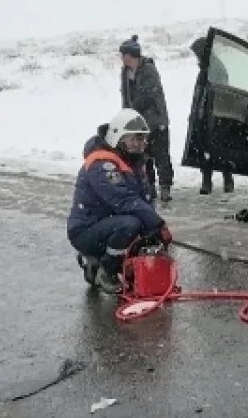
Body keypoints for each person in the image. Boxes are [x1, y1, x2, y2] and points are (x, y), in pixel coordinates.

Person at [67, 109, 173, 295]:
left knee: (143, 232)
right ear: (119, 138)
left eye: (143, 139)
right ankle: (106, 270)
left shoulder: (132, 163)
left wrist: (153, 231)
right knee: (130, 224)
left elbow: (144, 199)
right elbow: (125, 201)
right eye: (136, 139)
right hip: (86, 230)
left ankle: (105, 264)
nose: (142, 144)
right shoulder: (102, 164)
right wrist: (158, 224)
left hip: (108, 223)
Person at [119, 35, 173, 203]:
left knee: (161, 156)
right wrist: (125, 116)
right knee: (143, 157)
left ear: (131, 55)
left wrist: (132, 110)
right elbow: (125, 96)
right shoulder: (125, 72)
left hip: (156, 121)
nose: (121, 58)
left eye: (123, 54)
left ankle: (165, 187)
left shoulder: (149, 70)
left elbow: (148, 96)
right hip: (139, 123)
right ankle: (150, 187)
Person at [189, 36, 235, 195]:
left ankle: (227, 180)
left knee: (220, 147)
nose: (197, 57)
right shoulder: (204, 68)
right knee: (205, 148)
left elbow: (219, 92)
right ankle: (206, 181)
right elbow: (199, 93)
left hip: (215, 114)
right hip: (204, 115)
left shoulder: (216, 68)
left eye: (198, 54)